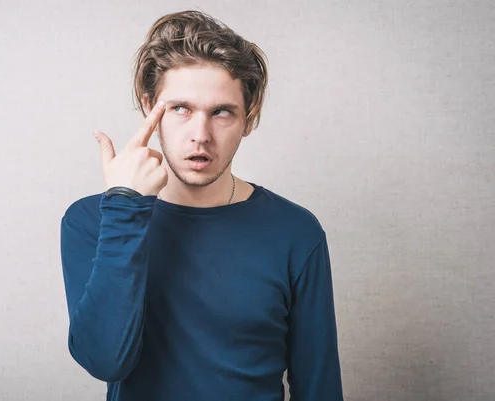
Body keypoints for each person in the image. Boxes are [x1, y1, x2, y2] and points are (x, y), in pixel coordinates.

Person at [60, 10, 343, 401]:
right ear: (149, 107)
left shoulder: (295, 232)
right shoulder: (93, 220)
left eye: (222, 112)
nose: (200, 135)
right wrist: (126, 207)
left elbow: (319, 386)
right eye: (180, 108)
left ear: (249, 116)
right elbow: (106, 361)